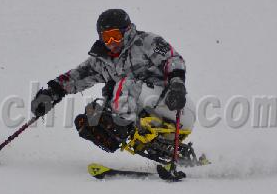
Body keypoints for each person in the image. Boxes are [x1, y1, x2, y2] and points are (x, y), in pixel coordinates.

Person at [30, 9, 196, 153]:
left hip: (175, 105)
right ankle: (109, 134)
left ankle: (120, 125)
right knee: (98, 107)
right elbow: (77, 76)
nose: (111, 43)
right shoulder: (103, 60)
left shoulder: (145, 42)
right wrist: (51, 93)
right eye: (106, 38)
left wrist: (177, 85)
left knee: (125, 84)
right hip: (146, 114)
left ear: (127, 31)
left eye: (115, 36)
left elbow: (173, 60)